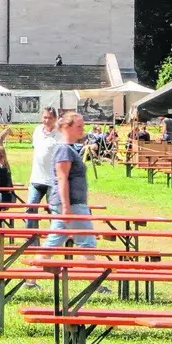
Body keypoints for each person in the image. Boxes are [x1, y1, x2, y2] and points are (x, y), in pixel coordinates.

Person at [47, 112, 100, 284]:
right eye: (79, 126)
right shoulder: (64, 149)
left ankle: (30, 278)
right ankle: (94, 282)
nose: (82, 130)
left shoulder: (69, 148)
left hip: (72, 203)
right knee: (87, 241)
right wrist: (66, 207)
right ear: (67, 127)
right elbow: (62, 178)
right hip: (71, 204)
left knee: (54, 240)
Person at [27, 106, 60, 230]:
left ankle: (54, 242)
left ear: (55, 119)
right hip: (36, 178)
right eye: (45, 117)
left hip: (53, 181)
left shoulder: (59, 134)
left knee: (54, 212)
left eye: (50, 118)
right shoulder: (37, 131)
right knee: (30, 209)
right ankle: (31, 241)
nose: (47, 120)